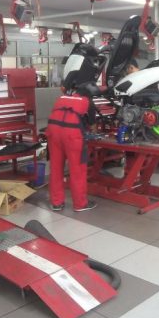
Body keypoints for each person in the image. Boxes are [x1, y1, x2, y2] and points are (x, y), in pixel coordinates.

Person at [46, 65, 99, 213]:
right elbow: (93, 126)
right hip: (72, 135)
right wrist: (93, 134)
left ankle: (56, 203)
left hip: (53, 133)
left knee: (56, 168)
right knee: (77, 170)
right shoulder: (88, 101)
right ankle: (80, 204)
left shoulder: (62, 98)